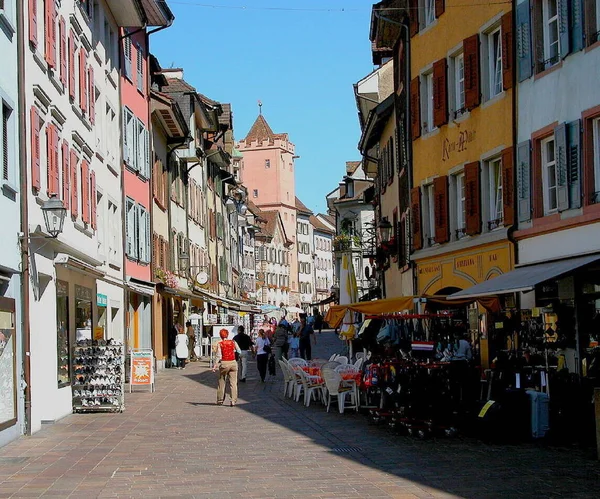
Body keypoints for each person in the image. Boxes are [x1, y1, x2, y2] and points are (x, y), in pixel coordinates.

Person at [212, 329, 242, 406]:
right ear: (227, 335)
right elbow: (239, 351)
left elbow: (219, 355)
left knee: (221, 381)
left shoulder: (220, 344)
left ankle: (220, 400)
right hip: (233, 363)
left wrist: (215, 365)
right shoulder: (233, 342)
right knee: (233, 383)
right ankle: (233, 400)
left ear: (220, 336)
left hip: (224, 363)